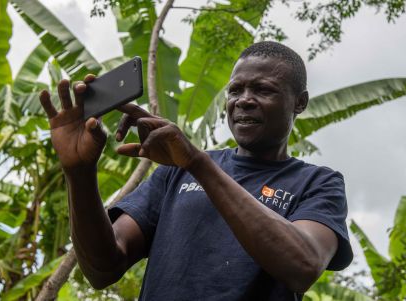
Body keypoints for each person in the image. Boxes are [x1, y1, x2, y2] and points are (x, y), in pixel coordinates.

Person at [39, 41, 353, 300]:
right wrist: (79, 172)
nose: (243, 101)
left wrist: (196, 162)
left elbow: (303, 264)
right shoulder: (175, 172)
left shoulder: (318, 183)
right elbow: (101, 269)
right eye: (235, 90)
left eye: (263, 89)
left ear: (300, 102)